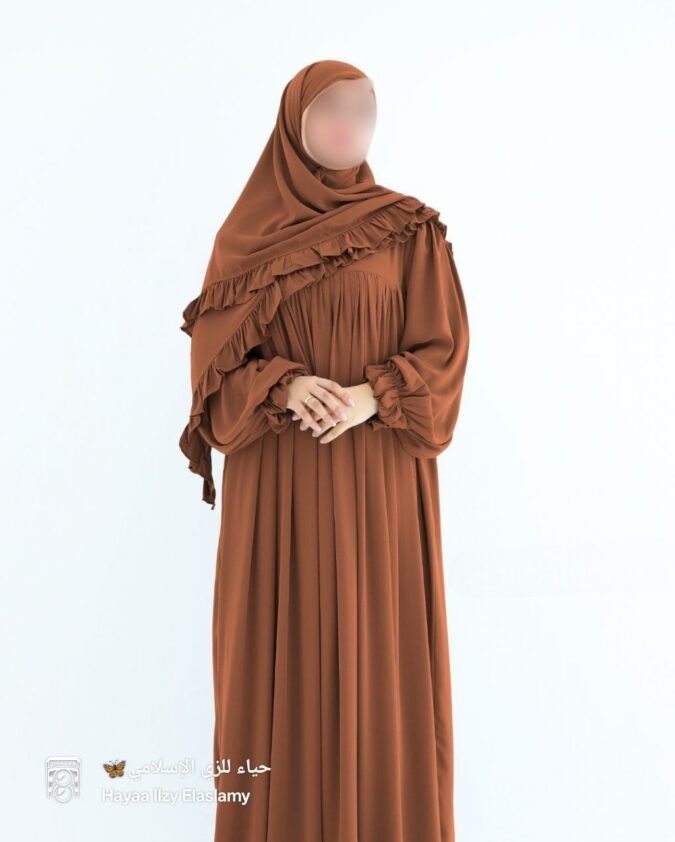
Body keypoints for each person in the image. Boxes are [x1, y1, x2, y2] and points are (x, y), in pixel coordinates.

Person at [179, 58, 470, 842]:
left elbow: (444, 354)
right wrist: (281, 385)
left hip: (380, 477)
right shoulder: (243, 240)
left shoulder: (408, 229)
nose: (349, 125)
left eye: (363, 110)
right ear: (294, 122)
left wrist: (375, 394)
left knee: (381, 658)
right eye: (331, 109)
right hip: (279, 478)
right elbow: (212, 374)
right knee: (277, 663)